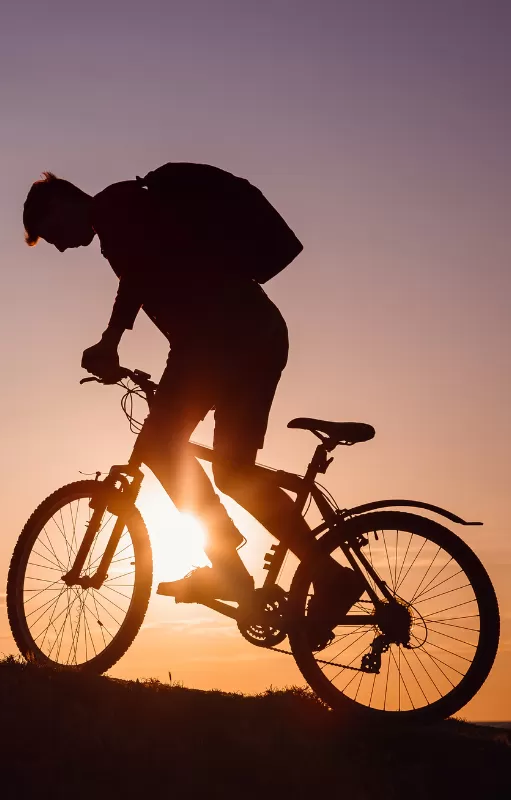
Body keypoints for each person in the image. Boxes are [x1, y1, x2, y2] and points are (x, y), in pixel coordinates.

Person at [22, 166, 364, 647]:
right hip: (246, 336)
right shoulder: (126, 212)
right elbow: (161, 283)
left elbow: (138, 275)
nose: (58, 247)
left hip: (223, 341)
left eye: (50, 232)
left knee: (165, 449)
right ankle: (318, 575)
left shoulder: (117, 206)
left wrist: (110, 341)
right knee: (231, 472)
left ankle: (237, 569)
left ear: (61, 204)